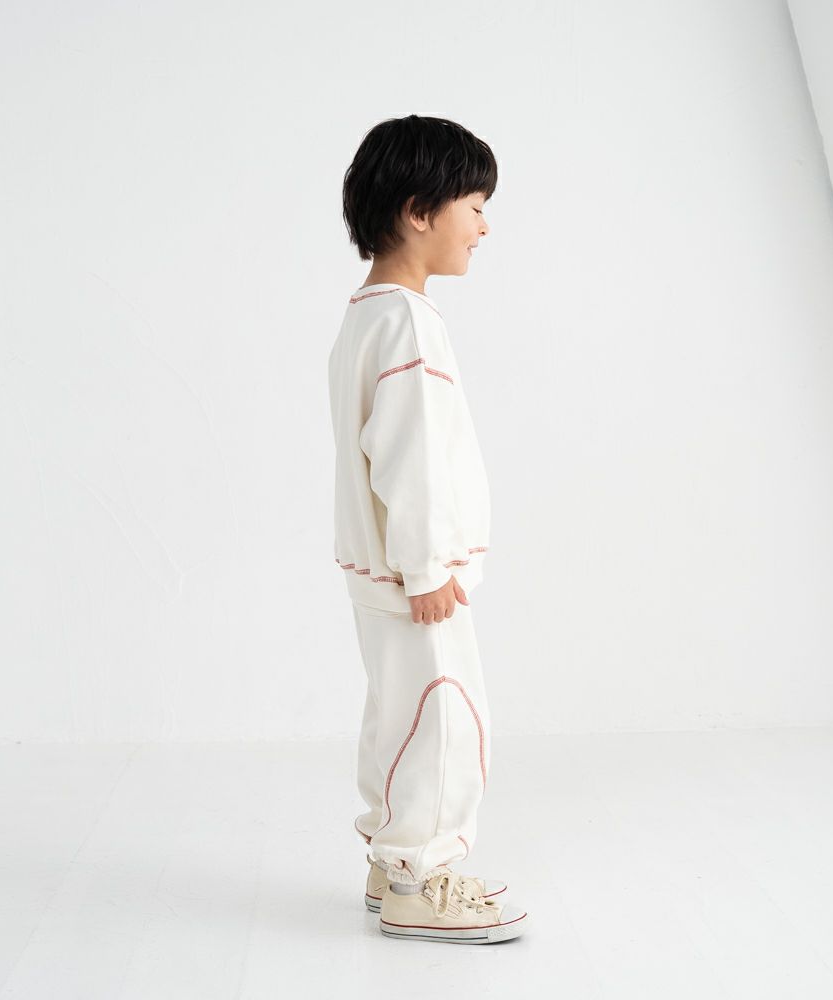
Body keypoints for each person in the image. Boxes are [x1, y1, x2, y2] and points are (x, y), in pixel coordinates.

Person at [327, 114, 529, 944]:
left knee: (397, 715)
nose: (485, 226)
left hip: (380, 570)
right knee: (444, 720)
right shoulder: (408, 322)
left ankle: (391, 862)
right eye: (474, 206)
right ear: (418, 212)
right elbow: (409, 458)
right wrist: (428, 567)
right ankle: (422, 880)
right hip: (417, 575)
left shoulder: (367, 316)